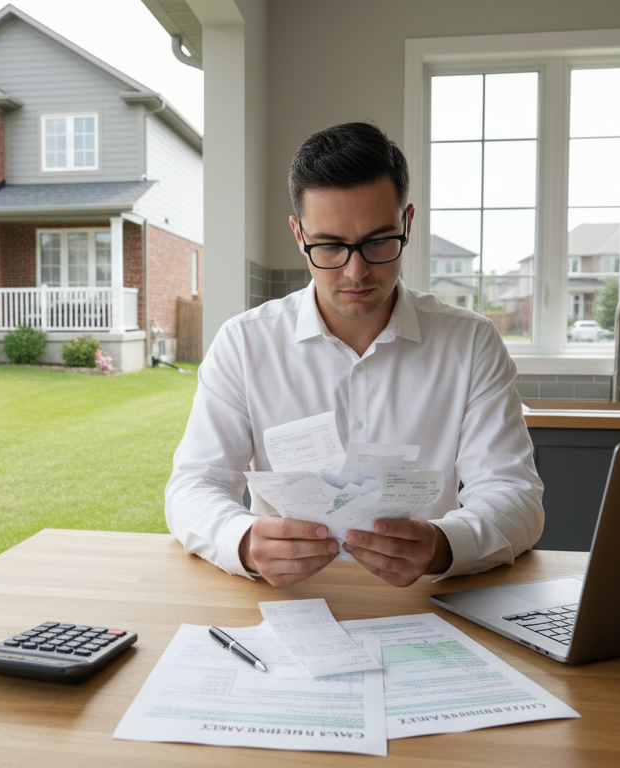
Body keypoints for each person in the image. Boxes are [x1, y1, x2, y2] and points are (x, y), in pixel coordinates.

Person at [165, 122, 543, 588]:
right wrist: (243, 540)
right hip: (287, 606)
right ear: (298, 234)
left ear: (406, 223)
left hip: (426, 606)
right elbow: (193, 485)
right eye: (330, 245)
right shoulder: (245, 344)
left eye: (377, 241)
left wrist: (444, 545)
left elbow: (514, 494)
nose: (356, 270)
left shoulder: (470, 343)